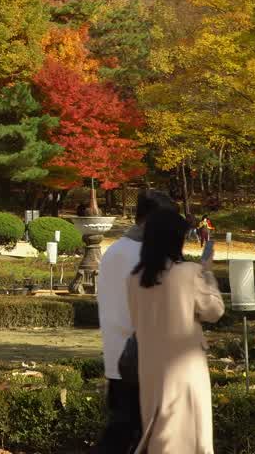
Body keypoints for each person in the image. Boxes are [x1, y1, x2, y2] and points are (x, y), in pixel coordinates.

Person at [128, 193, 224, 454]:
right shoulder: (188, 273)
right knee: (188, 436)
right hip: (184, 365)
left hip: (150, 365)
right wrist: (207, 274)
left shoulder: (135, 278)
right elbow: (214, 311)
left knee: (159, 433)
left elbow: (137, 319)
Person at [94, 190, 150, 454]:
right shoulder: (143, 253)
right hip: (140, 356)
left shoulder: (115, 249)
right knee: (127, 430)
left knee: (123, 427)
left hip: (118, 354)